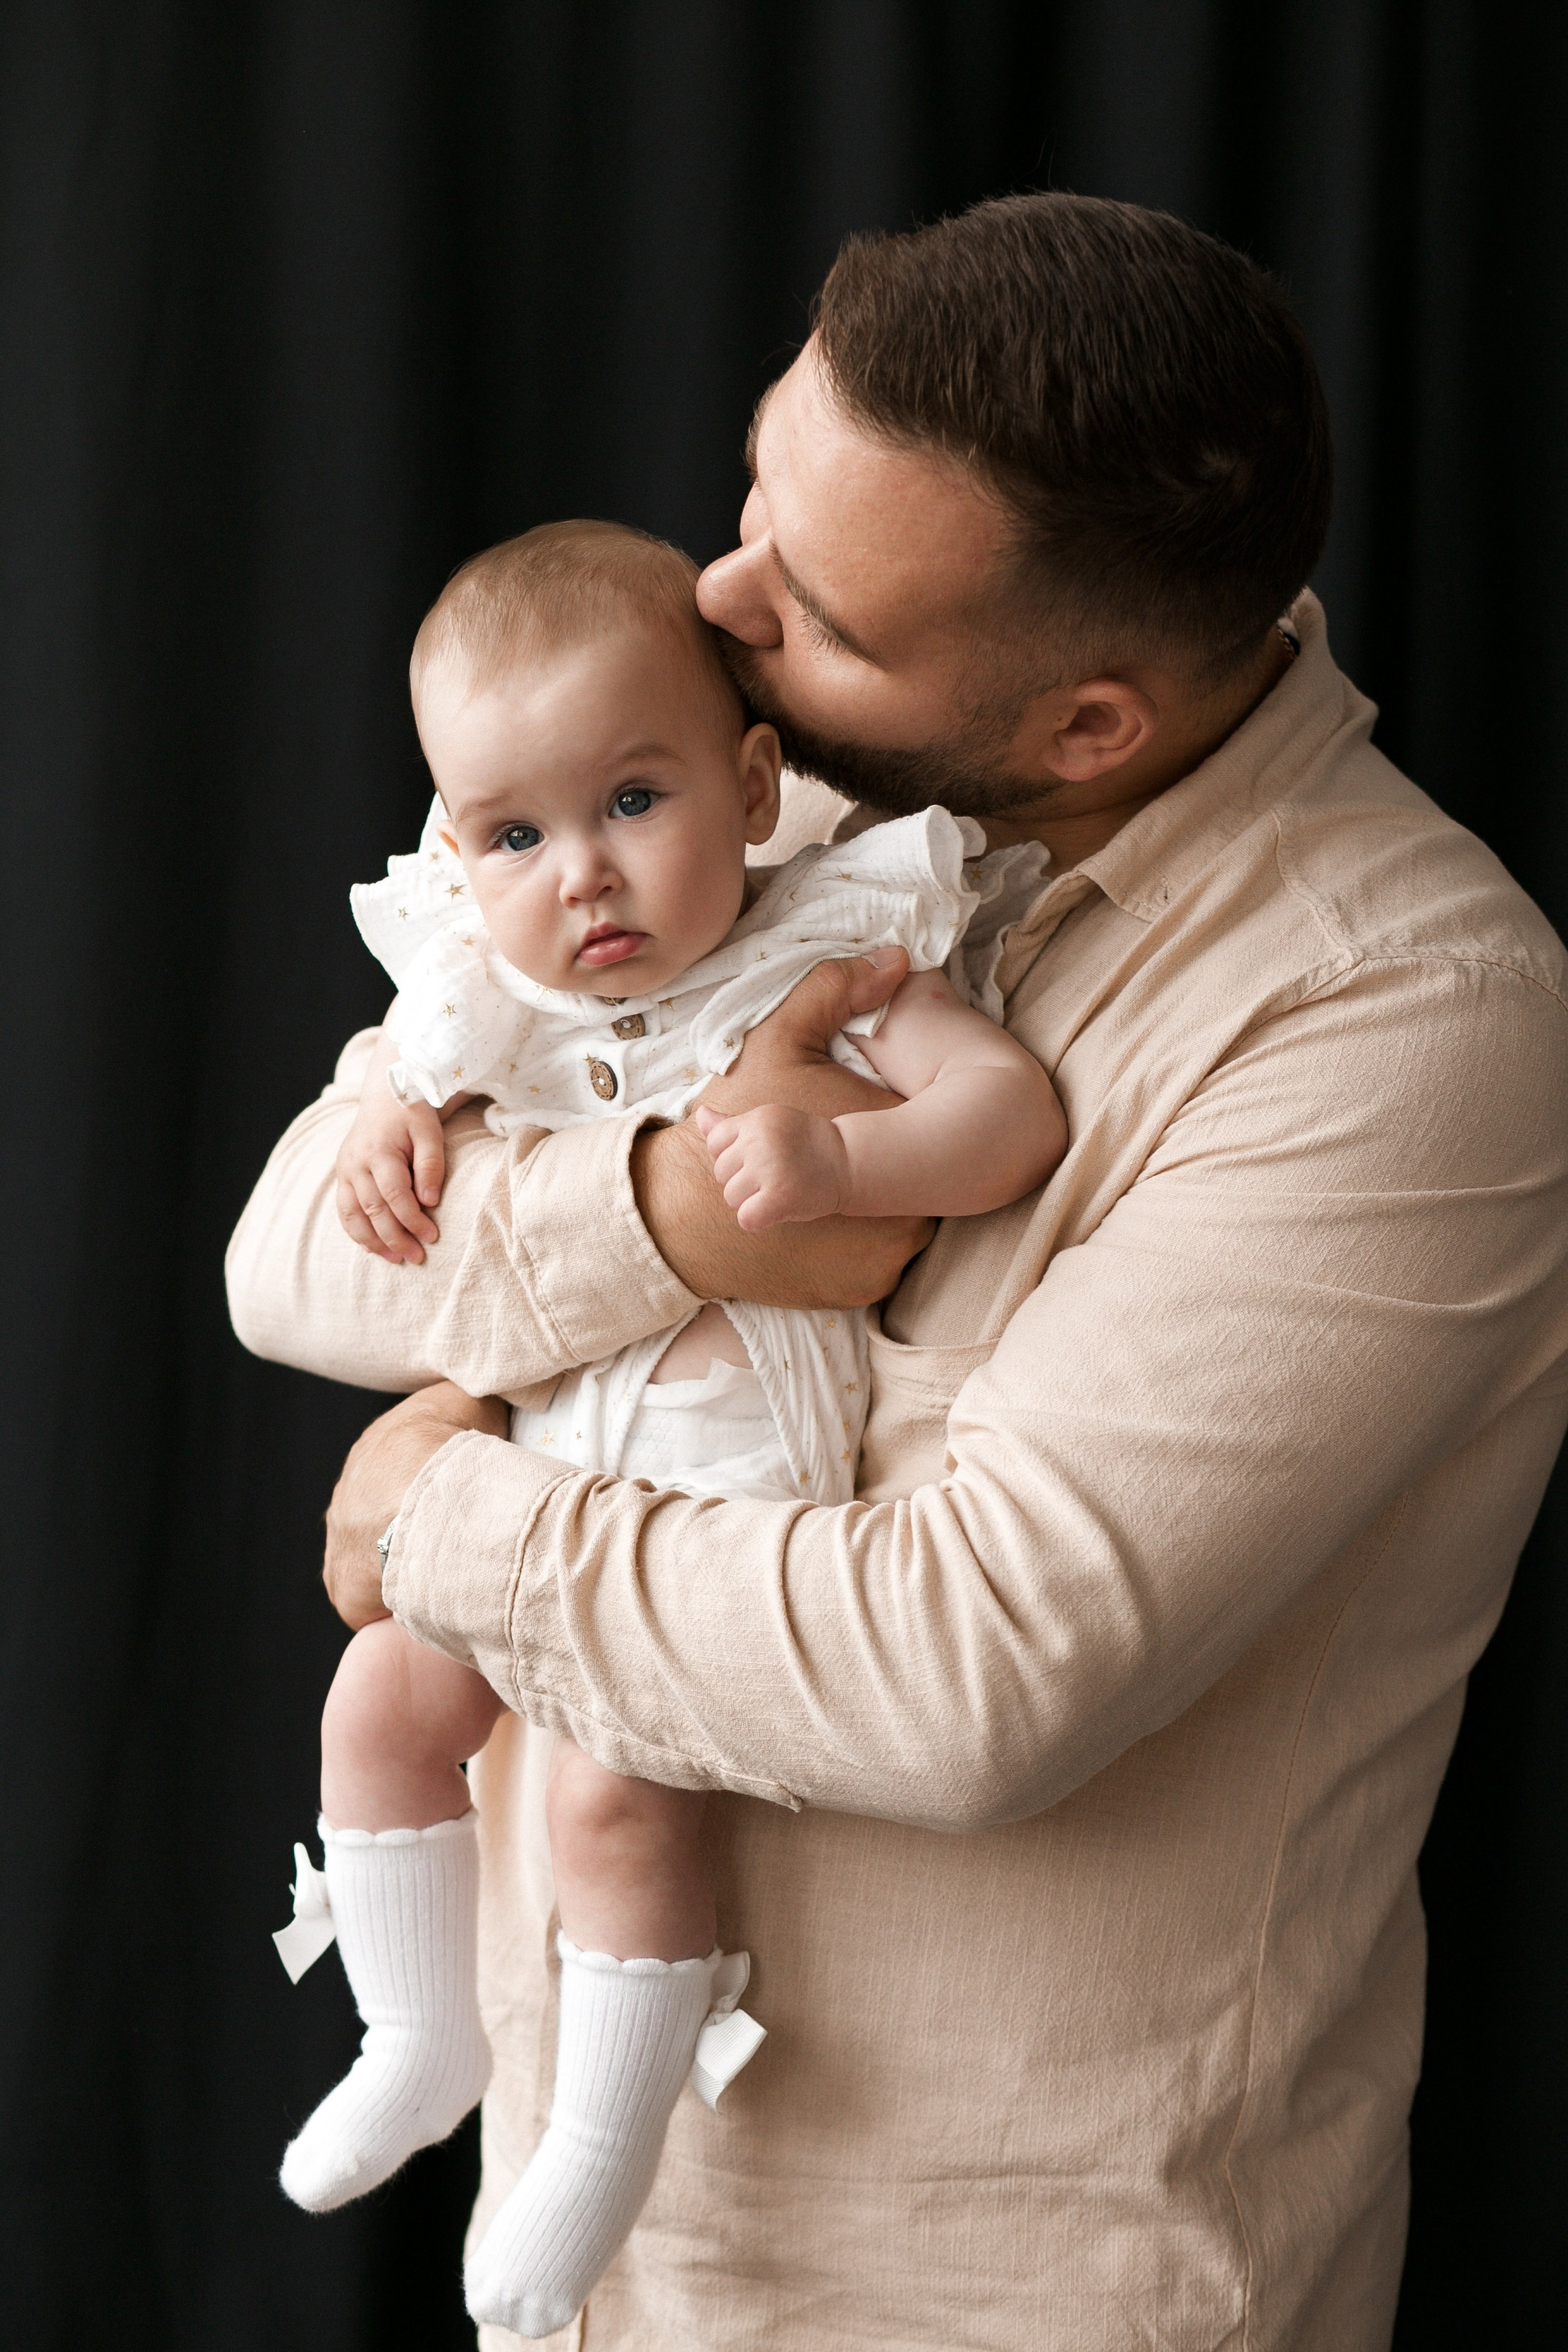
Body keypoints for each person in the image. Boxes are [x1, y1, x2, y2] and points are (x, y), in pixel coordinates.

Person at [228, 192, 1568, 2351]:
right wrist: (664, 1207)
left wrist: (441, 1519)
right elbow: (294, 1259)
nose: (723, 599)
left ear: (1087, 733)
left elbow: (976, 1671)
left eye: (822, 611)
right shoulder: (725, 815)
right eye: (757, 494)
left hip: (996, 2290)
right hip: (600, 2269)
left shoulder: (1400, 1019)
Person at [271, 518, 1064, 2340]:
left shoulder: (837, 952)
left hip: (724, 1497)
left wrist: (843, 1153)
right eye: (515, 837)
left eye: (635, 799)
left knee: (618, 1801)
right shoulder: (490, 989)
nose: (585, 879)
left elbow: (1009, 1117)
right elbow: (337, 1164)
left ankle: (599, 2141)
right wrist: (390, 1117)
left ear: (753, 778)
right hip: (535, 1461)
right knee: (381, 1704)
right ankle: (417, 2035)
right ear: (459, 850)